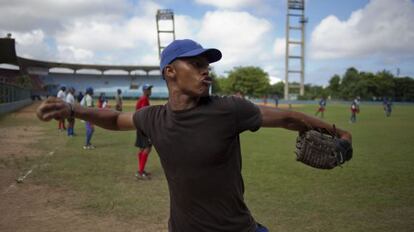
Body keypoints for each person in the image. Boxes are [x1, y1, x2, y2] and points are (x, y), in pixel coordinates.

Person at [36, 39, 352, 232]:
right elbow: (116, 119)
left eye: (207, 65)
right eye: (197, 64)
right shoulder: (154, 118)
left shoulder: (229, 110)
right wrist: (75, 110)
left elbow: (289, 117)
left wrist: (339, 133)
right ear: (170, 72)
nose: (206, 71)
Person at [134, 84, 153, 179]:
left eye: (150, 89)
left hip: (140, 127)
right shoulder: (144, 99)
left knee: (142, 149)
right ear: (145, 91)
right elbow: (143, 113)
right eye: (149, 89)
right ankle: (141, 172)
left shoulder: (143, 99)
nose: (150, 91)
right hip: (143, 128)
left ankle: (141, 170)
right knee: (147, 148)